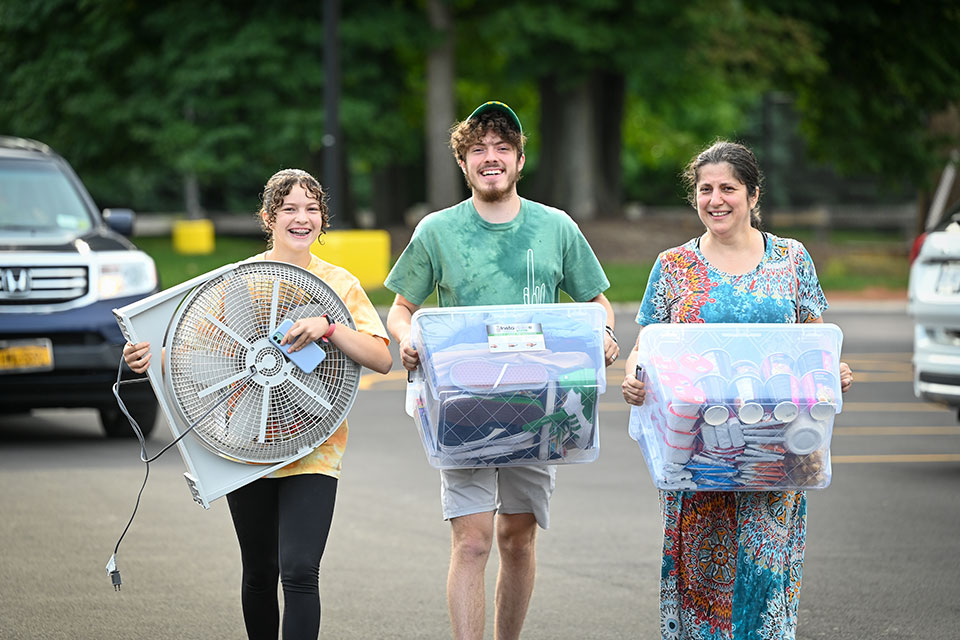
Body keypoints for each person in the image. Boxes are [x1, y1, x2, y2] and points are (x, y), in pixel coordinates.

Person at [123, 168, 393, 640]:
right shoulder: (240, 281)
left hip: (315, 447)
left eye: (312, 209)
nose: (301, 218)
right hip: (248, 443)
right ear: (269, 218)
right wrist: (150, 356)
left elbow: (382, 357)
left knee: (300, 571)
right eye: (289, 209)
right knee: (260, 572)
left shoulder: (340, 285)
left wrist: (329, 327)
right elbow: (200, 351)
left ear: (322, 219)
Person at [384, 100, 619, 640]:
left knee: (517, 538)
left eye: (502, 148)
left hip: (541, 407)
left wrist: (603, 334)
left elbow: (597, 303)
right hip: (463, 405)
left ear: (519, 159)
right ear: (463, 164)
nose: (490, 158)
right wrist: (408, 337)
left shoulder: (555, 227)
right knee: (471, 540)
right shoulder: (438, 231)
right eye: (478, 150)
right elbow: (401, 308)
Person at [621, 140, 854, 640]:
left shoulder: (791, 259)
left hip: (778, 454)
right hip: (695, 458)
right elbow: (648, 343)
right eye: (706, 189)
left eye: (728, 188)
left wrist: (835, 371)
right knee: (701, 592)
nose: (716, 199)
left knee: (765, 588)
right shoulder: (673, 266)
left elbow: (815, 341)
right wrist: (635, 374)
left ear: (752, 195)